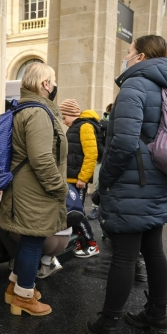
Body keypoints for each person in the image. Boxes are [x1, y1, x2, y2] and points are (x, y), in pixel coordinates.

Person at [86, 35, 167, 334]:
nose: (126, 57)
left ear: (140, 56)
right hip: (159, 180)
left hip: (132, 183)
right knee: (154, 251)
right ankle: (157, 316)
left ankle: (108, 326)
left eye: (128, 52)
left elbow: (124, 143)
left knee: (125, 256)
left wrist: (107, 181)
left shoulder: (134, 86)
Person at [0, 62, 68, 317]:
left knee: (30, 240)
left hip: (26, 190)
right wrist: (60, 189)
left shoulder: (25, 108)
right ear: (45, 84)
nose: (55, 85)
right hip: (35, 192)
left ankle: (15, 287)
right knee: (33, 241)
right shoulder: (38, 113)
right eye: (53, 80)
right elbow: (41, 158)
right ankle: (24, 297)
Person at [60, 101, 102, 258]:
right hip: (71, 178)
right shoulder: (76, 127)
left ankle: (91, 244)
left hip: (77, 179)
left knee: (78, 212)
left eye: (64, 117)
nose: (64, 121)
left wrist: (83, 178)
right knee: (74, 212)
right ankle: (80, 241)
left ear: (72, 113)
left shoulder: (84, 126)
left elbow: (91, 154)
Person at [88, 103, 111, 221]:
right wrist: (107, 153)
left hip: (113, 158)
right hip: (102, 159)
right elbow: (98, 142)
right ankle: (95, 208)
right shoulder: (101, 125)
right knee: (98, 183)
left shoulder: (120, 123)